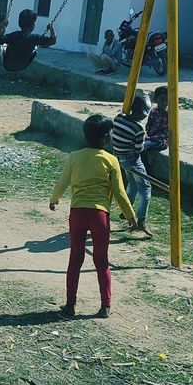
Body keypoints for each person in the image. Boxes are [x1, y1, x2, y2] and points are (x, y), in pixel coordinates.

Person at [50, 113, 137, 318]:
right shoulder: (111, 160)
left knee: (75, 260)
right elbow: (120, 192)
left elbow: (62, 181)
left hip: (77, 214)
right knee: (101, 261)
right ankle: (105, 306)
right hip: (100, 216)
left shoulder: (74, 157)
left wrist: (54, 199)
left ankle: (70, 306)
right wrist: (131, 216)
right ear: (107, 137)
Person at [112, 91, 153, 236]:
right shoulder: (139, 128)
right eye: (147, 111)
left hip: (119, 158)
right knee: (146, 188)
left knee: (132, 184)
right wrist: (144, 142)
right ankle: (142, 221)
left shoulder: (118, 118)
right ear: (142, 112)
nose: (147, 114)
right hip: (132, 160)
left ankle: (126, 212)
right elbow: (138, 149)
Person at [143, 85, 169, 156]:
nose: (165, 102)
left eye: (167, 100)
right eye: (162, 99)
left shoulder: (170, 114)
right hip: (150, 138)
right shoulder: (153, 111)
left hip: (161, 141)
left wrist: (150, 138)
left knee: (143, 146)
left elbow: (166, 134)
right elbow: (148, 127)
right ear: (155, 99)